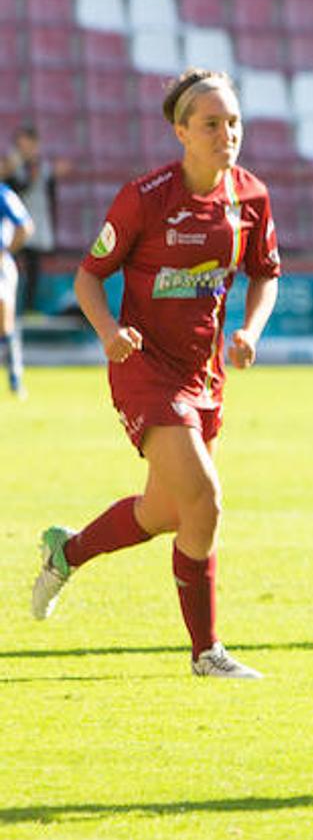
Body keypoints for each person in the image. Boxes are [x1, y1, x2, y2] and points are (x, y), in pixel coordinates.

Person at [31, 68, 281, 679]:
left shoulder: (249, 196)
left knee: (169, 511)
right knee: (206, 501)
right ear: (181, 131)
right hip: (144, 369)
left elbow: (265, 272)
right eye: (212, 124)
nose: (227, 134)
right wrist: (110, 333)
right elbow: (88, 276)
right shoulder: (145, 197)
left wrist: (250, 332)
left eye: (234, 122)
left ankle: (69, 551)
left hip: (205, 376)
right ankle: (207, 654)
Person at [2, 125, 66, 316]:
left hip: (35, 224)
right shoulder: (13, 165)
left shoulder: (41, 166)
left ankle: (29, 309)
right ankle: (9, 311)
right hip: (14, 226)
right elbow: (14, 188)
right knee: (7, 267)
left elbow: (49, 192)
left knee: (32, 268)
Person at [0, 180, 31, 397]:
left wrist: (4, 252)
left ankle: (15, 379)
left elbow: (25, 226)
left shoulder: (3, 194)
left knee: (5, 322)